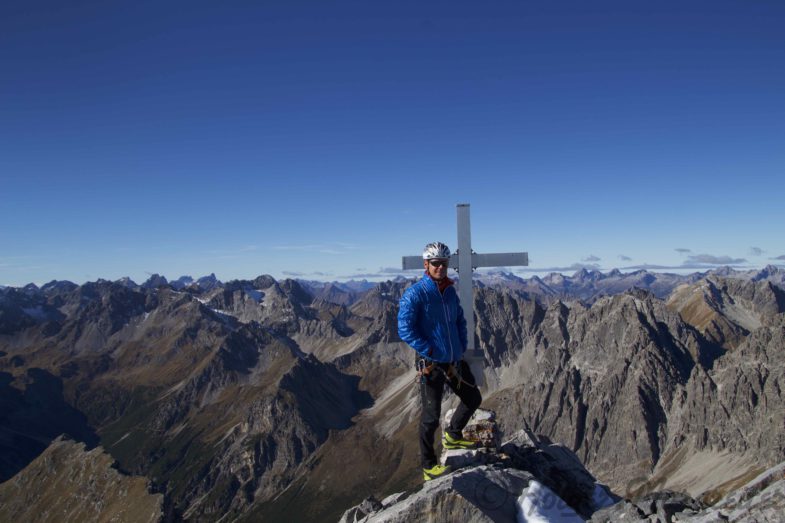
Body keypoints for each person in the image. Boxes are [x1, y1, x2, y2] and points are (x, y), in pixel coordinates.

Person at [397, 241, 483, 481]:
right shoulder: (415, 293)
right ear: (426, 264)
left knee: (473, 397)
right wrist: (429, 349)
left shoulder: (449, 291)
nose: (440, 267)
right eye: (435, 263)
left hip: (454, 359)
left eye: (444, 263)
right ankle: (428, 466)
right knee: (431, 415)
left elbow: (459, 321)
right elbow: (404, 328)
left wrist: (460, 345)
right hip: (431, 364)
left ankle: (453, 434)